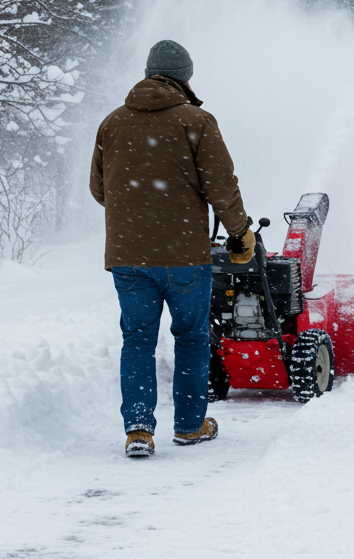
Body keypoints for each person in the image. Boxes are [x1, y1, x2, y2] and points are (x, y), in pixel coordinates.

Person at [90, 39, 255, 458]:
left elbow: (98, 189)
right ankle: (188, 424)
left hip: (128, 258)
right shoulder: (196, 120)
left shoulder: (112, 123)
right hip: (184, 256)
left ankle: (139, 430)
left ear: (148, 73)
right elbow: (221, 185)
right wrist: (240, 233)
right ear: (184, 78)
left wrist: (138, 209)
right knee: (192, 337)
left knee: (139, 339)